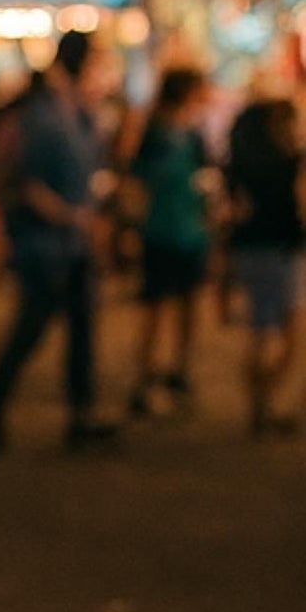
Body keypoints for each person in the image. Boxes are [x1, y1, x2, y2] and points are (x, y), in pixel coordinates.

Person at [0, 29, 119, 450]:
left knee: (80, 327)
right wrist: (71, 214)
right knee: (31, 325)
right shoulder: (44, 110)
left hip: (72, 238)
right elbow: (27, 179)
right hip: (46, 240)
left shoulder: (72, 107)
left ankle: (79, 413)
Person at [117, 66, 213, 418]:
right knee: (155, 307)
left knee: (188, 304)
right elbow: (136, 182)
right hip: (162, 230)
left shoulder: (191, 133)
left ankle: (178, 371)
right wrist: (130, 228)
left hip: (189, 230)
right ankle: (146, 379)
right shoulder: (156, 133)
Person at [224, 92, 302, 435]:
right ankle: (265, 401)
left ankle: (259, 406)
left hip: (250, 248)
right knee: (289, 333)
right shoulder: (288, 162)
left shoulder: (242, 163)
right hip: (282, 249)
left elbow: (233, 209)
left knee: (260, 330)